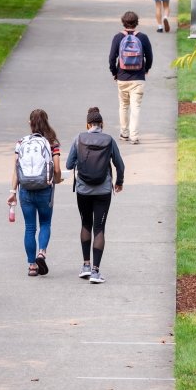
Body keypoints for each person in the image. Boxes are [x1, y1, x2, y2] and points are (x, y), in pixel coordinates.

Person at [66, 107, 125, 284]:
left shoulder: (79, 139)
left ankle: (85, 265)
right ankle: (96, 271)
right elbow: (119, 165)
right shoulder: (109, 140)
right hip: (103, 191)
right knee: (99, 228)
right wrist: (119, 182)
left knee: (85, 223)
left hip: (83, 190)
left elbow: (69, 164)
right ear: (102, 124)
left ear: (87, 124)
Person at [7, 109, 63, 277]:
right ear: (46, 122)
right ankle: (41, 253)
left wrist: (12, 192)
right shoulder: (52, 142)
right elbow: (58, 168)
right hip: (45, 189)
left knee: (30, 228)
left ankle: (32, 265)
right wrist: (57, 179)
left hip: (25, 190)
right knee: (45, 223)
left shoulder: (21, 142)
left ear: (30, 123)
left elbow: (16, 170)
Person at [108, 11, 153, 145]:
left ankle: (124, 133)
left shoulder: (118, 37)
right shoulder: (143, 37)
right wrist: (146, 69)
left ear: (123, 22)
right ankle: (134, 136)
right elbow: (150, 57)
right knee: (136, 107)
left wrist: (114, 72)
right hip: (138, 78)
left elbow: (111, 58)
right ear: (136, 22)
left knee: (123, 106)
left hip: (122, 77)